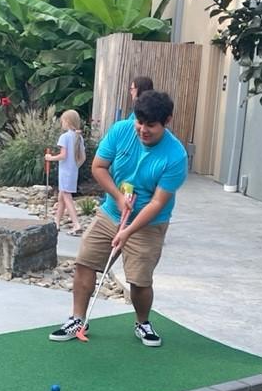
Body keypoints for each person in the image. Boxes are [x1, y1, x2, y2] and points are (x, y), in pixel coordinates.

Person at [49, 90, 188, 346]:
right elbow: (98, 167)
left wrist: (128, 231)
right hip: (111, 211)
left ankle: (142, 322)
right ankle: (77, 319)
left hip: (149, 223)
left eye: (151, 125)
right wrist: (118, 196)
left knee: (139, 279)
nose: (143, 129)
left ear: (167, 121)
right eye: (140, 122)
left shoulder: (176, 155)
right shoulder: (122, 130)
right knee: (85, 262)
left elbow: (158, 202)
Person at [45, 109, 86, 236]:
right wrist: (75, 166)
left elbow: (63, 155)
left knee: (67, 197)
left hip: (65, 172)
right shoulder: (78, 137)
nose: (61, 123)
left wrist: (50, 158)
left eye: (62, 120)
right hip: (73, 171)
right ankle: (56, 222)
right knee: (61, 196)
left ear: (67, 121)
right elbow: (83, 157)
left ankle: (76, 224)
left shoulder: (65, 137)